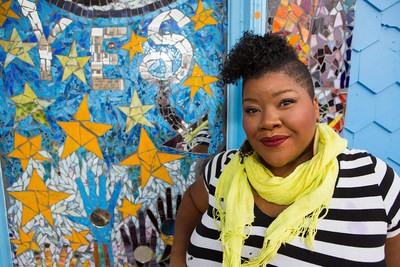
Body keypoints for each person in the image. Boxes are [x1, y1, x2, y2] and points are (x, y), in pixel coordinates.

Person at [170, 32, 400, 266]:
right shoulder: (224, 168)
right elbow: (191, 201)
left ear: (314, 107)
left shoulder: (373, 180)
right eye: (252, 109)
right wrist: (177, 258)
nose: (268, 121)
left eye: (286, 102)